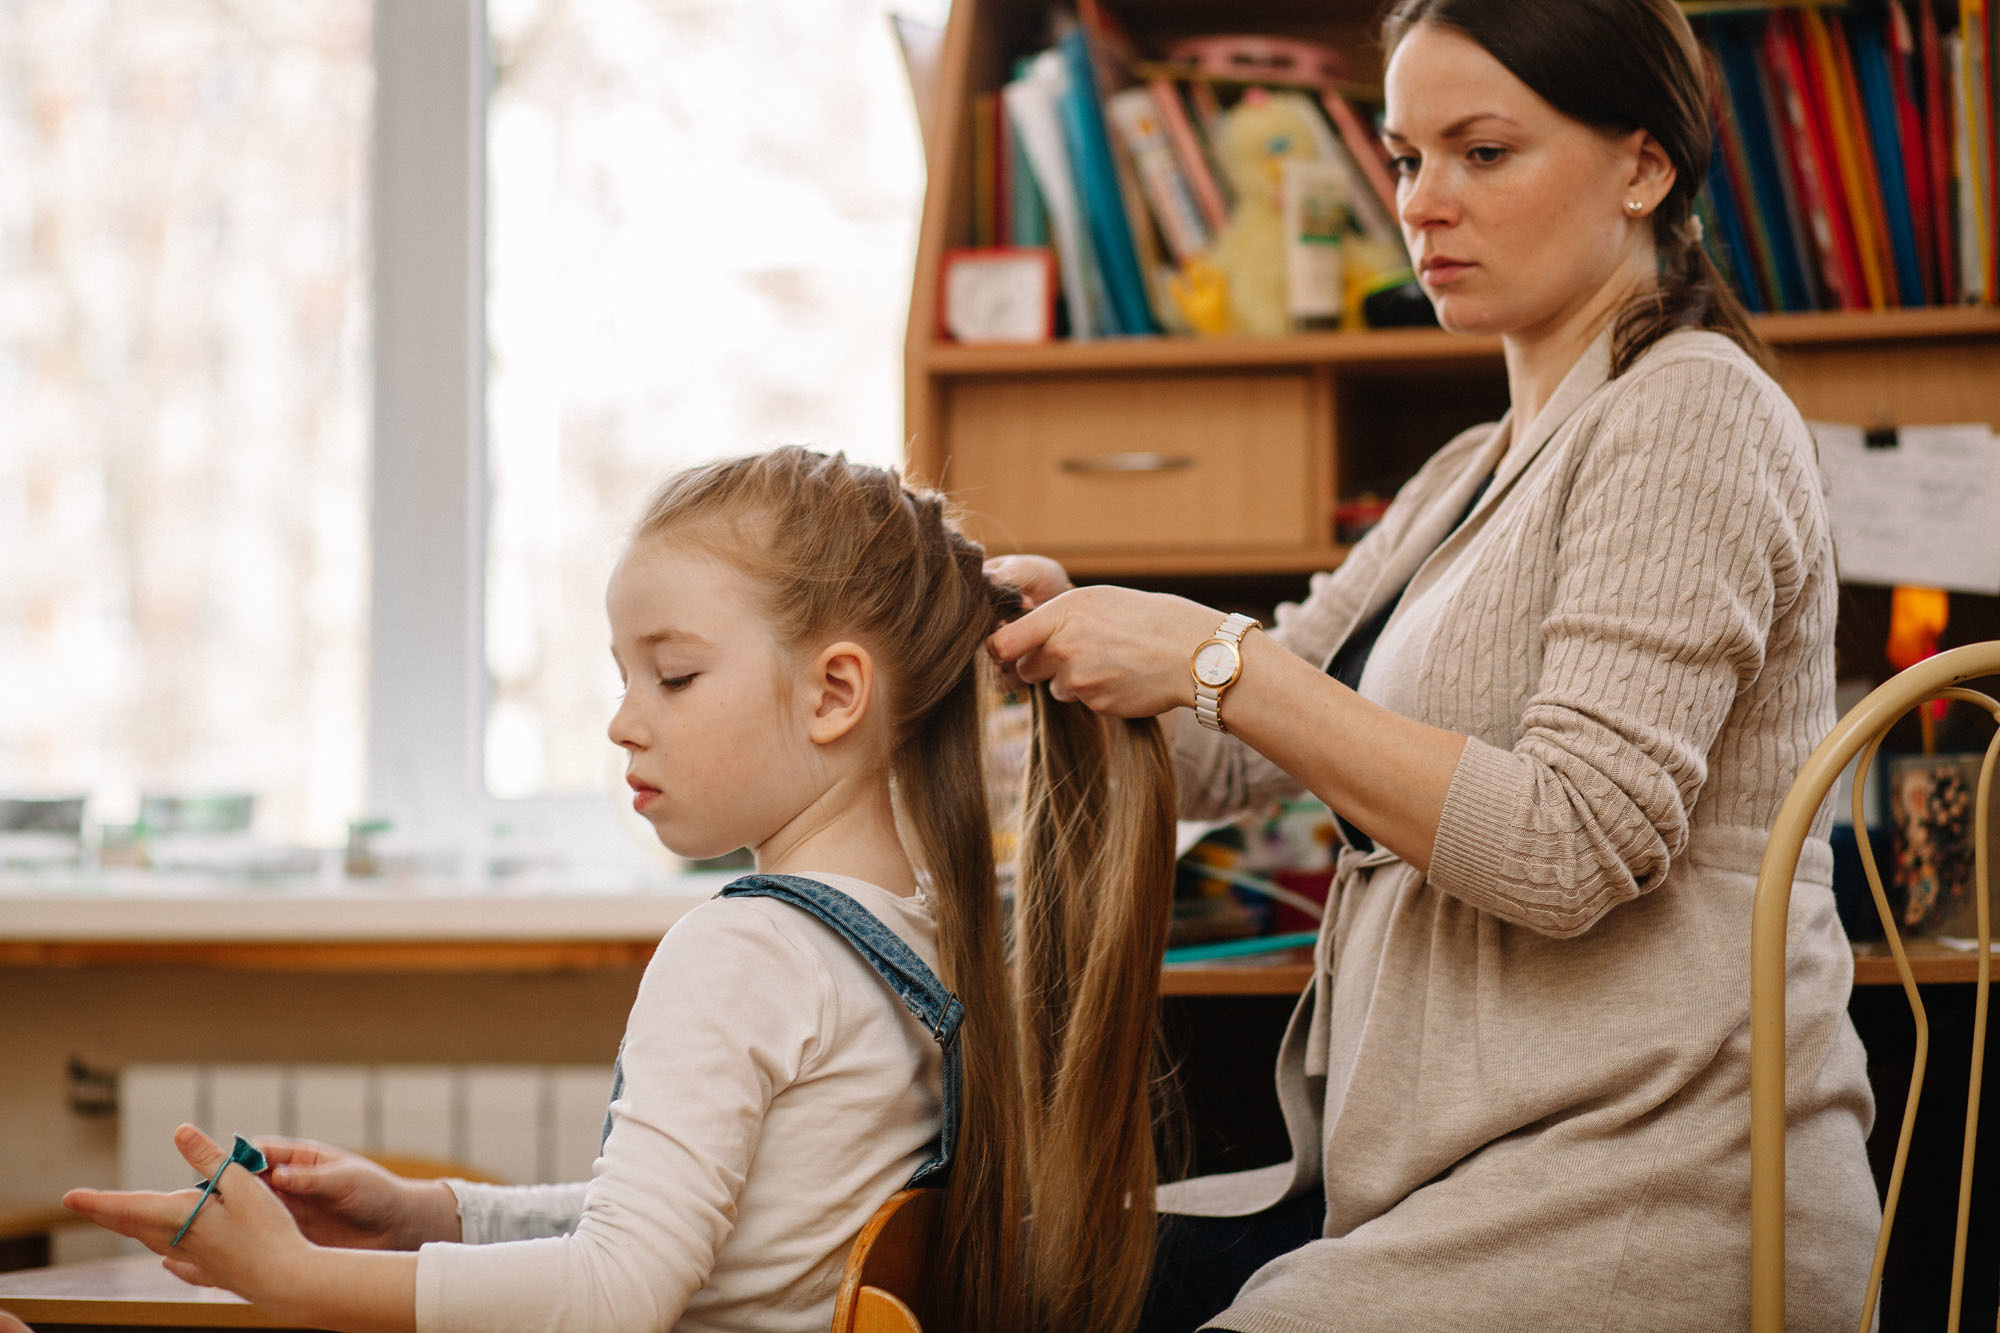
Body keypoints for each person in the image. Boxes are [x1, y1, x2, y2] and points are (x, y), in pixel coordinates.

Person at [987, 0, 1879, 1328]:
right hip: (1446, 1178)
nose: (1423, 205)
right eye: (1406, 159)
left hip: (1654, 1189)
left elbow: (1571, 843)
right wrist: (1067, 648)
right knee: (1036, 1272)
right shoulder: (1468, 470)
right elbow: (1231, 743)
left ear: (1644, 168)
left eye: (1484, 153)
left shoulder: (1694, 409)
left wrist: (1214, 658)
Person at [64, 447, 1177, 1333]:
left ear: (834, 691)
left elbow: (612, 1296)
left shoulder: (745, 955)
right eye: (620, 675)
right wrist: (431, 1215)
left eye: (674, 674)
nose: (623, 719)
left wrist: (293, 1283)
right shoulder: (925, 943)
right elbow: (721, 1233)